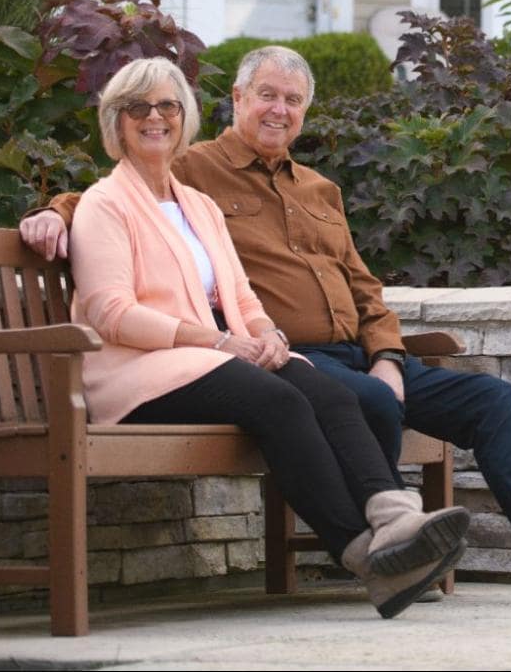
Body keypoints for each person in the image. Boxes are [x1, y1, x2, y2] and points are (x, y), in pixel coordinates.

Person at [22, 45, 511, 607]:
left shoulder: (318, 188)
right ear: (236, 99)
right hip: (263, 356)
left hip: (349, 354)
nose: (280, 109)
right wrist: (52, 209)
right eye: (267, 95)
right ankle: (386, 542)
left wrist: (389, 356)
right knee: (342, 396)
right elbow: (112, 192)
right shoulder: (198, 168)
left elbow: (361, 285)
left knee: (491, 398)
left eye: (294, 100)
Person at [61, 55, 467, 619]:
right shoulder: (106, 204)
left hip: (206, 359)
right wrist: (219, 341)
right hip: (139, 371)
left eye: (167, 106)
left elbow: (240, 294)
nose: (154, 117)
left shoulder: (198, 205)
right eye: (137, 107)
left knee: (327, 388)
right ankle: (364, 554)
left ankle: (393, 515)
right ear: (116, 122)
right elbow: (111, 313)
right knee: (279, 399)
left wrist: (267, 334)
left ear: (185, 117)